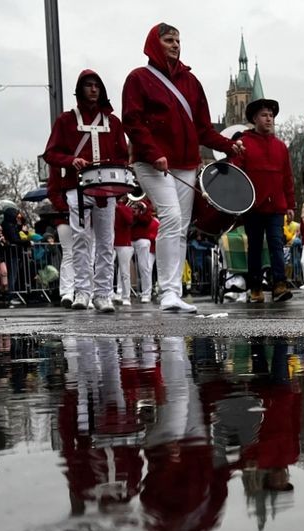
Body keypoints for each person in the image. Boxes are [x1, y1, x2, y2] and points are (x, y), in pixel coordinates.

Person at [123, 22, 244, 314]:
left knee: (180, 228)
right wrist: (153, 154)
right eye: (168, 40)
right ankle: (166, 292)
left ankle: (174, 292)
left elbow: (203, 129)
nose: (175, 44)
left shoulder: (191, 82)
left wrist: (229, 146)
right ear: (154, 43)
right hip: (152, 163)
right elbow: (132, 121)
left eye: (178, 40)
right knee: (171, 217)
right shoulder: (138, 79)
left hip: (186, 162)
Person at [43, 69, 130, 313]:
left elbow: (123, 156)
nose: (93, 89)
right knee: (81, 241)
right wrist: (71, 160)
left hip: (107, 190)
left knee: (105, 243)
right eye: (88, 85)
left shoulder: (113, 122)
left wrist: (122, 179)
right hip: (77, 188)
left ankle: (103, 294)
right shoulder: (66, 120)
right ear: (80, 89)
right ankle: (82, 292)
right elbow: (50, 153)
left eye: (96, 86)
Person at [230, 98, 295, 303]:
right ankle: (255, 287)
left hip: (276, 205)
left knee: (277, 244)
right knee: (255, 246)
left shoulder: (281, 146)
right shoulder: (245, 143)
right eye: (264, 115)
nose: (269, 119)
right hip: (254, 206)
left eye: (271, 115)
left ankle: (279, 285)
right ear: (254, 119)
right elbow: (237, 173)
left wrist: (291, 204)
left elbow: (287, 177)